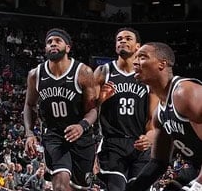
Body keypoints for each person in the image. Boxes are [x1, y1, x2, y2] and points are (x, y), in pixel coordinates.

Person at [23, 28, 98, 191]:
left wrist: (81, 126)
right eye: (49, 42)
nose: (53, 44)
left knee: (80, 187)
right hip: (54, 134)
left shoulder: (83, 72)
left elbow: (93, 109)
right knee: (60, 184)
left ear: (68, 48)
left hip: (81, 136)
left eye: (58, 41)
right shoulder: (36, 74)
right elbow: (29, 105)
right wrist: (29, 134)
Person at [125, 43, 202, 191]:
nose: (135, 62)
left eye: (142, 57)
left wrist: (198, 185)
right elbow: (158, 162)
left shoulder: (185, 93)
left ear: (162, 64)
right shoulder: (159, 114)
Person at [94, 28, 157, 191]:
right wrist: (100, 99)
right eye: (119, 39)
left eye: (128, 38)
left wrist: (149, 136)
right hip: (112, 142)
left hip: (139, 143)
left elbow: (152, 118)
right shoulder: (104, 72)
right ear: (115, 46)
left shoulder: (148, 77)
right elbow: (87, 108)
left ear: (138, 46)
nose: (122, 41)